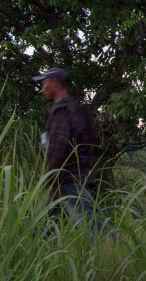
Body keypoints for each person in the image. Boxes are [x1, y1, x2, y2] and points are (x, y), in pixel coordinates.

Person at [34, 67, 111, 241]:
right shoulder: (77, 109)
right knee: (42, 226)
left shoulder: (62, 111)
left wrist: (51, 176)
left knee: (95, 228)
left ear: (54, 84)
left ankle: (116, 253)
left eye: (44, 83)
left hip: (68, 179)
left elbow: (58, 148)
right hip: (74, 177)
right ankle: (33, 256)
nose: (42, 88)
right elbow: (92, 141)